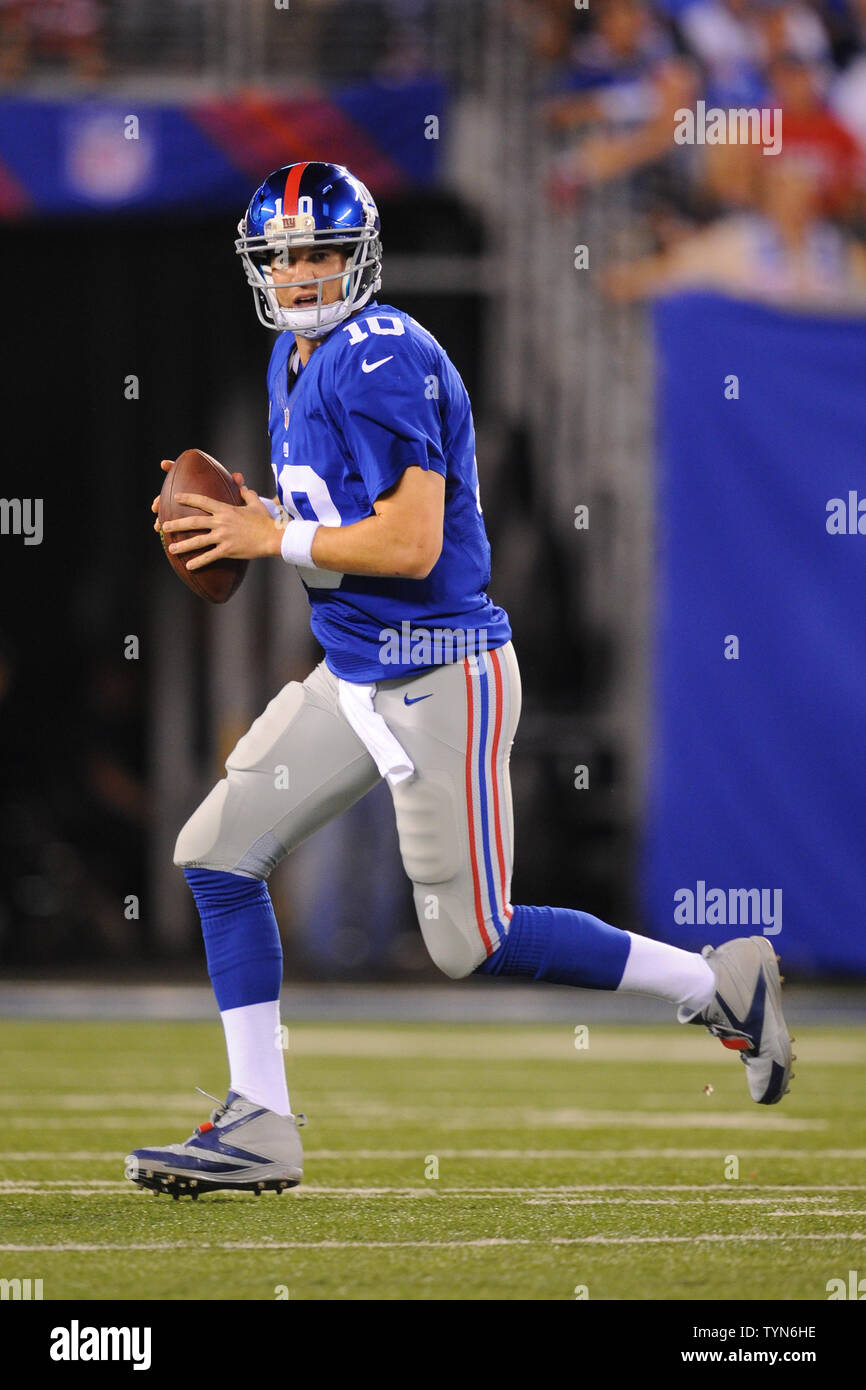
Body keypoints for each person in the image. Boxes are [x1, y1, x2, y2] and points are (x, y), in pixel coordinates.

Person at [125, 161, 793, 1200]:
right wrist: (260, 513)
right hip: (352, 669)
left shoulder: (384, 354)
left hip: (439, 673)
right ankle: (260, 1121)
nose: (301, 274)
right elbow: (335, 520)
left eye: (320, 252)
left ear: (362, 256)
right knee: (216, 853)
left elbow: (410, 541)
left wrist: (271, 531)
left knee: (466, 942)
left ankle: (719, 982)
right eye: (284, 255)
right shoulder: (292, 358)